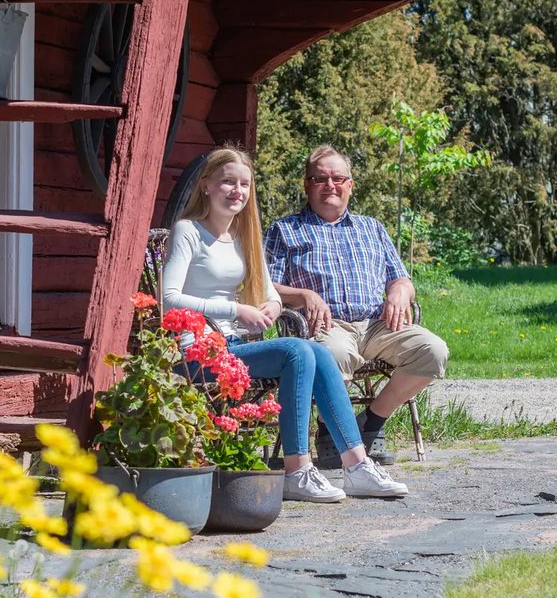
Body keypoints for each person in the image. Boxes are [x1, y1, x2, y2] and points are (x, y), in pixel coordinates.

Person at [162, 146, 408, 501]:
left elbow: (268, 291)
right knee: (297, 350)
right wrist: (236, 311)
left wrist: (271, 307)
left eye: (244, 184)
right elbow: (168, 298)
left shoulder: (244, 237)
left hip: (233, 347)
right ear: (206, 186)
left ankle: (356, 466)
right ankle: (297, 470)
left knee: (315, 352)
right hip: (196, 352)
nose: (237, 191)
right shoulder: (188, 232)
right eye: (227, 182)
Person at [264, 144, 449, 460]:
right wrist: (304, 296)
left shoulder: (372, 228)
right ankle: (330, 430)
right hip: (326, 326)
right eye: (320, 178)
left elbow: (401, 278)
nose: (330, 185)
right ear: (307, 184)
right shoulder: (285, 230)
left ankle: (372, 422)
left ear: (350, 185)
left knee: (433, 351)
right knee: (332, 354)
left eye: (338, 178)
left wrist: (400, 292)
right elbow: (265, 287)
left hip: (378, 325)